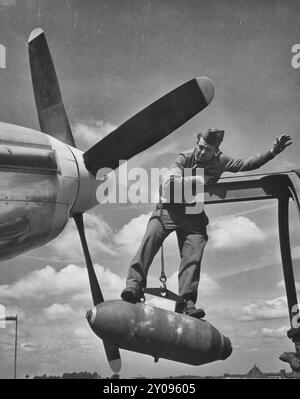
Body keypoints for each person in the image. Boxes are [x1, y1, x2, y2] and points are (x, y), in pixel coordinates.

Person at [121, 129, 292, 319]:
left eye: (208, 150)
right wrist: (200, 180)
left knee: (194, 253)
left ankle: (186, 303)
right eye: (200, 147)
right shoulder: (183, 158)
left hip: (193, 214)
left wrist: (273, 151)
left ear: (216, 151)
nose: (202, 152)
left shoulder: (221, 161)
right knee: (150, 239)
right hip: (168, 209)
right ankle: (134, 286)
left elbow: (246, 164)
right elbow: (170, 183)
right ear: (197, 143)